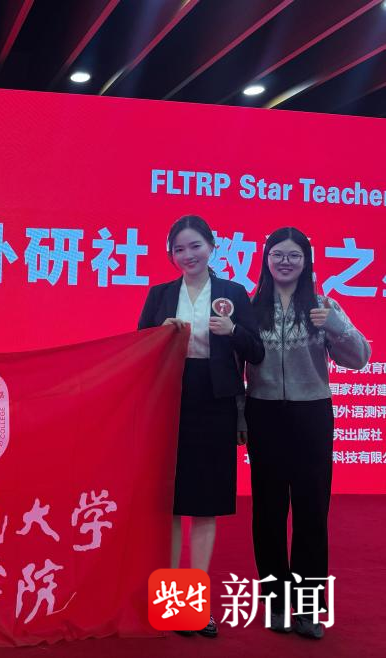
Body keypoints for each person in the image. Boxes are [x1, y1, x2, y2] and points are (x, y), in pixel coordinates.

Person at [138, 214, 264, 638]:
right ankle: (173, 603)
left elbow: (256, 351)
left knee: (206, 503)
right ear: (171, 254)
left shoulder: (233, 292)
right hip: (170, 400)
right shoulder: (160, 295)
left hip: (215, 401)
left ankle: (197, 603)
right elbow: (138, 348)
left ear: (212, 246)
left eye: (195, 246)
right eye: (179, 249)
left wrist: (232, 330)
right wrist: (160, 334)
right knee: (172, 503)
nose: (188, 255)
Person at [245, 227, 369, 640]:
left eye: (293, 255)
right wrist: (240, 415)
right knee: (268, 512)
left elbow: (360, 358)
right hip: (263, 413)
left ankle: (309, 608)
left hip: (312, 414)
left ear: (306, 261)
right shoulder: (250, 308)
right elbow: (235, 363)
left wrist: (335, 326)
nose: (285, 262)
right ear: (266, 259)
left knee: (312, 511)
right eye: (277, 254)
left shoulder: (323, 305)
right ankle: (277, 603)